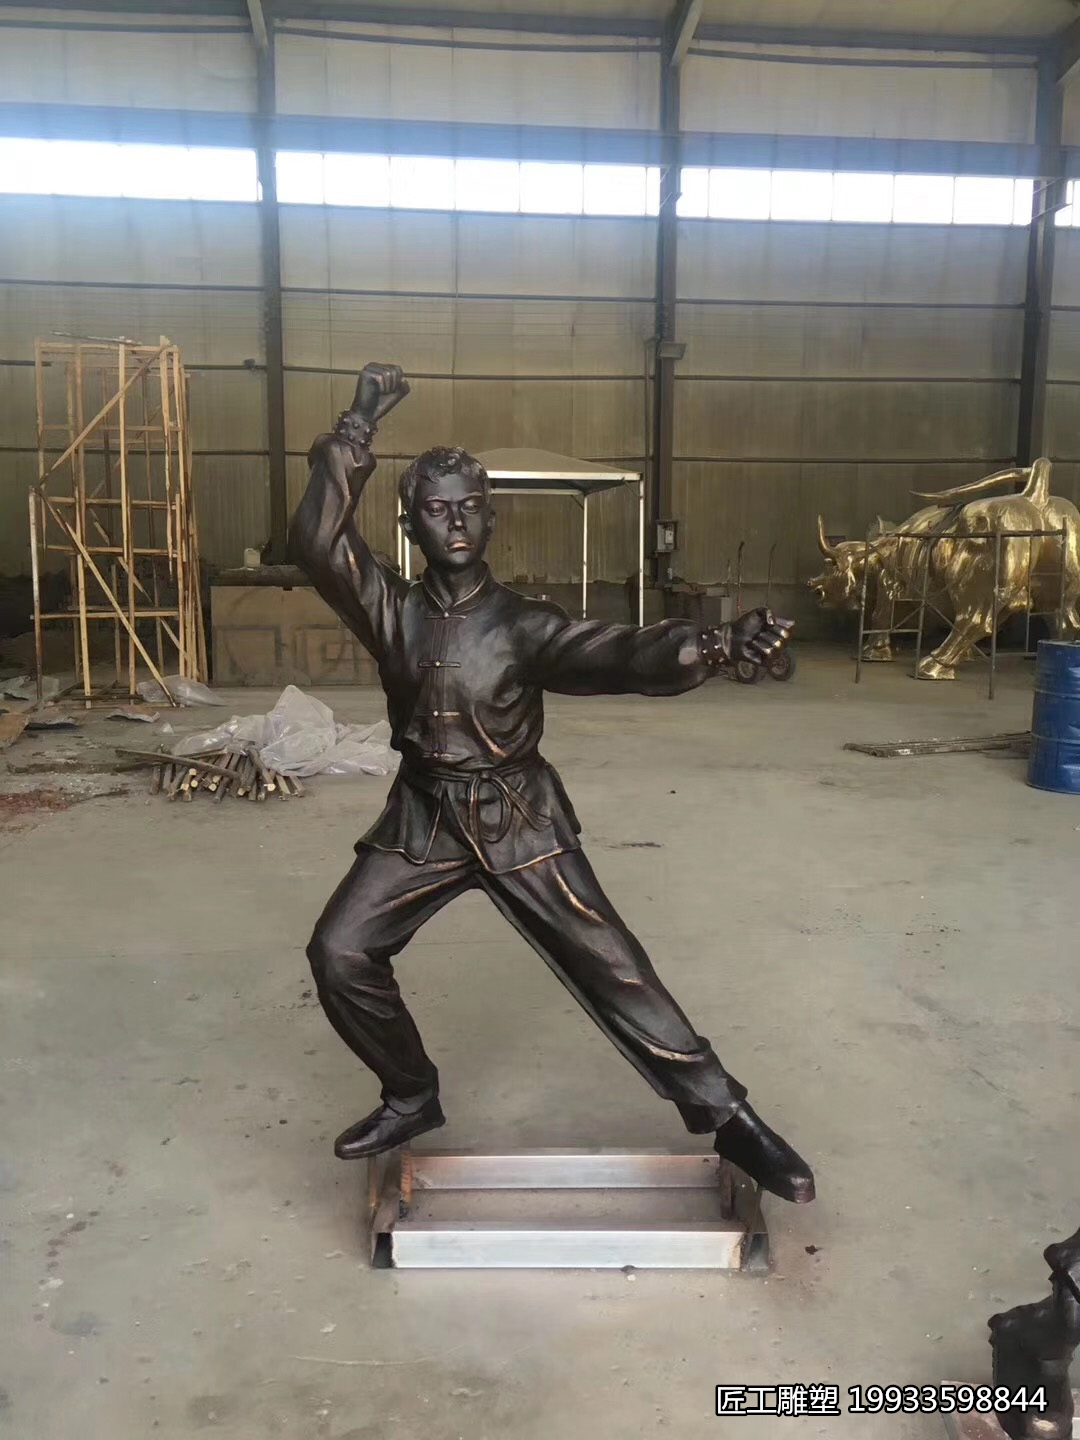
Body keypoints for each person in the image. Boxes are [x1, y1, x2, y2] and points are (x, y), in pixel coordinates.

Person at [289, 362, 814, 1204]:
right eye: (437, 509)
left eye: (470, 506)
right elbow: (318, 543)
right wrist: (356, 427)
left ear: (491, 518)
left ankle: (730, 1117)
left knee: (616, 966)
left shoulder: (523, 624)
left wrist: (713, 646)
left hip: (517, 817)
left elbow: (618, 653)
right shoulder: (391, 608)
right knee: (340, 951)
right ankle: (411, 1093)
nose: (456, 522)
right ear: (410, 523)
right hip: (423, 817)